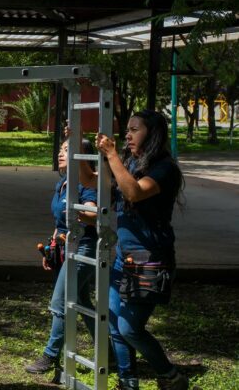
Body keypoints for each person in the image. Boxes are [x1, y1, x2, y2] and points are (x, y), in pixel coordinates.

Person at [81, 110, 188, 390]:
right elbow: (94, 182)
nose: (127, 134)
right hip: (124, 258)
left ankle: (171, 376)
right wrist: (79, 148)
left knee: (130, 328)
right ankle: (128, 382)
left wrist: (113, 157)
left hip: (150, 259)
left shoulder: (164, 168)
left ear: (152, 133)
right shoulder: (130, 162)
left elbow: (134, 193)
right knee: (115, 323)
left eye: (134, 129)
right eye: (126, 129)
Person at [24, 136, 99, 377]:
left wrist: (82, 213)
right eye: (61, 149)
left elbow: (92, 213)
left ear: (83, 157)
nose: (60, 153)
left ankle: (50, 355)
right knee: (83, 301)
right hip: (65, 247)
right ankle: (108, 349)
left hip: (84, 247)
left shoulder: (89, 185)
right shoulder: (63, 183)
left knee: (60, 303)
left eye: (68, 150)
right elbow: (60, 222)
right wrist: (52, 247)